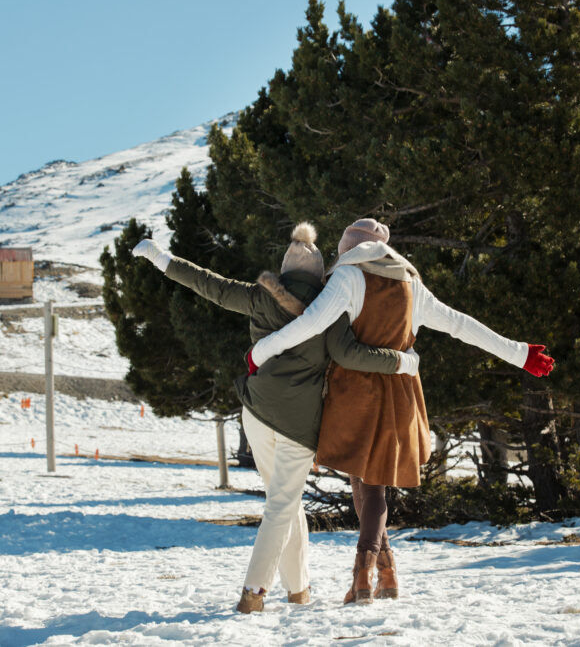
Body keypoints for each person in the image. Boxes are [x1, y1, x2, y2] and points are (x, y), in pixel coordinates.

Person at [247, 218, 554, 604]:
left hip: (354, 393)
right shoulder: (411, 283)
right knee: (368, 481)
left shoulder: (348, 279)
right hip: (399, 392)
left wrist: (260, 351)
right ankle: (386, 573)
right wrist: (518, 353)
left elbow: (310, 324)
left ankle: (363, 574)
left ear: (348, 249)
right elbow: (460, 325)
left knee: (368, 482)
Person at [131, 222, 420, 614]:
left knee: (285, 501)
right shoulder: (329, 307)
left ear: (284, 271)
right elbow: (352, 353)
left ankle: (299, 590)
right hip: (298, 426)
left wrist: (161, 258)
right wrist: (401, 362)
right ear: (320, 276)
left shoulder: (257, 297)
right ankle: (254, 592)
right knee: (281, 505)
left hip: (256, 413)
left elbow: (207, 283)